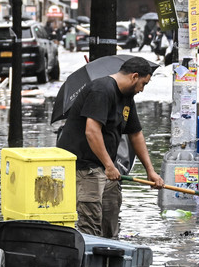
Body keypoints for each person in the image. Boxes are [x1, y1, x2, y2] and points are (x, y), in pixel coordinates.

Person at [55, 57, 164, 239]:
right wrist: (109, 166)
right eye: (143, 84)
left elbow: (135, 134)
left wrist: (150, 171)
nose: (142, 90)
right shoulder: (101, 90)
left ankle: (111, 252)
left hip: (107, 168)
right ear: (134, 76)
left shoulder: (127, 97)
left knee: (110, 215)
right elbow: (92, 131)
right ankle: (89, 258)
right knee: (90, 221)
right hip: (85, 166)